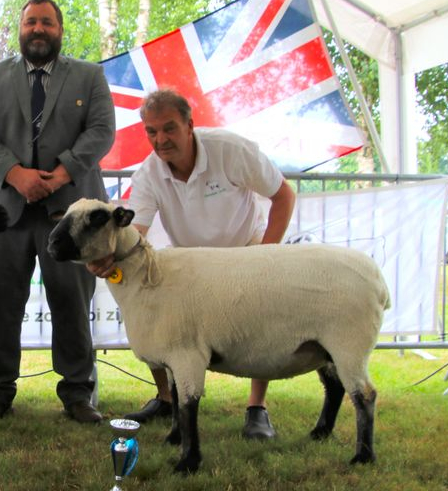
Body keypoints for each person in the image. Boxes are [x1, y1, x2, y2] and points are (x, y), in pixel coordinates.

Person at [88, 89, 296, 440]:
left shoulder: (231, 149)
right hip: (191, 261)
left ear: (190, 125)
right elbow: (135, 231)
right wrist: (107, 254)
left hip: (245, 249)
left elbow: (283, 195)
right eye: (151, 131)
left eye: (169, 128)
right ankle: (168, 398)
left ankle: (257, 408)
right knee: (151, 309)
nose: (160, 139)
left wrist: (267, 256)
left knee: (262, 324)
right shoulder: (148, 174)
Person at [0, 0, 116, 424]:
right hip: (2, 211)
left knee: (72, 300)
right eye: (31, 22)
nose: (38, 29)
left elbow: (103, 130)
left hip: (70, 213)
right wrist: (16, 174)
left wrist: (63, 172)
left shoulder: (89, 75)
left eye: (46, 22)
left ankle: (76, 393)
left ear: (60, 29)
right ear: (20, 29)